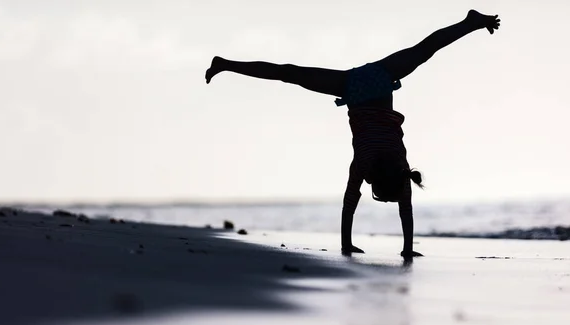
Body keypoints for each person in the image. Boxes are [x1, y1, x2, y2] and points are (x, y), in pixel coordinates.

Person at [205, 10, 500, 259]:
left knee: (424, 51)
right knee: (290, 73)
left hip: (379, 78)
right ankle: (226, 64)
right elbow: (350, 203)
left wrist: (406, 248)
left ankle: (471, 22)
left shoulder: (399, 166)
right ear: (377, 183)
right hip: (353, 87)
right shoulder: (367, 163)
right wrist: (349, 244)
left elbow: (400, 210)